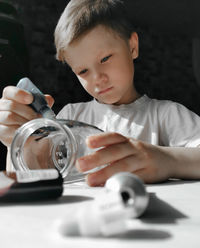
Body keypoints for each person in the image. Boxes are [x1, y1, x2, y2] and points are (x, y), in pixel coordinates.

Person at [1, 0, 200, 187]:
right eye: (83, 71)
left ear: (132, 47)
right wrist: (17, 142)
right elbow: (28, 179)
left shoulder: (166, 115)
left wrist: (168, 160)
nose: (98, 78)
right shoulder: (70, 117)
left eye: (105, 58)